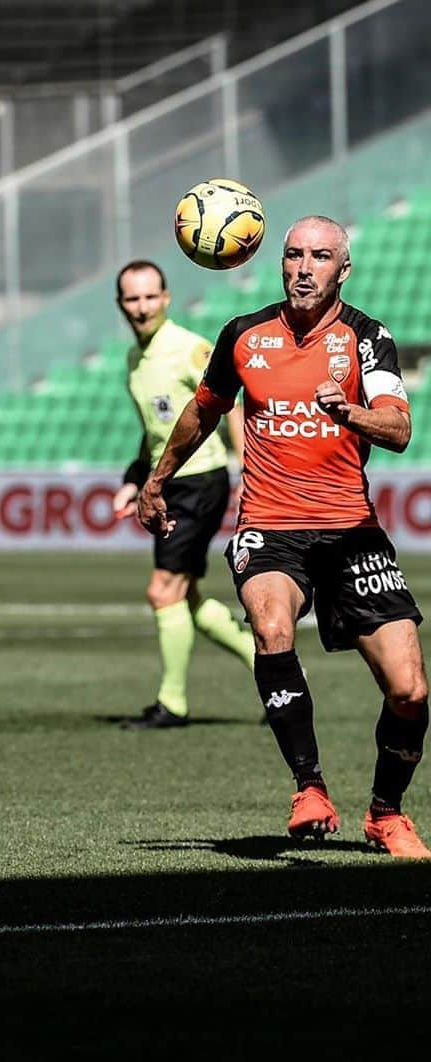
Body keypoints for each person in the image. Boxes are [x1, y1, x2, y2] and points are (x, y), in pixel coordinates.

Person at [138, 215, 430, 858]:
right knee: (271, 626)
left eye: (320, 257)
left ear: (342, 270)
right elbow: (204, 408)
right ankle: (310, 788)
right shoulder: (243, 335)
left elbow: (400, 427)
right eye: (293, 255)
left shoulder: (367, 337)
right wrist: (157, 478)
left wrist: (348, 411)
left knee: (410, 691)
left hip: (352, 531)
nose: (303, 267)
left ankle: (386, 814)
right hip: (269, 526)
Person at [111, 260, 256, 729]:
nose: (142, 307)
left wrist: (246, 466)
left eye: (150, 296)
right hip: (167, 482)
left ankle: (172, 703)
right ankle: (272, 667)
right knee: (186, 596)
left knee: (163, 590)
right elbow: (155, 434)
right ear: (121, 305)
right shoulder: (136, 359)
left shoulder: (189, 348)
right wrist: (135, 479)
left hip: (200, 479)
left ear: (167, 298)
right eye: (132, 299)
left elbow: (227, 402)